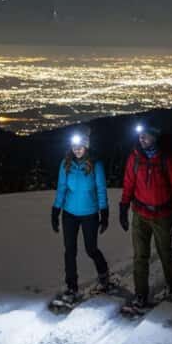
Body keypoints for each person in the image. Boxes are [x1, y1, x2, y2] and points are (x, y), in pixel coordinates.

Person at [119, 122, 172, 313]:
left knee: (165, 252)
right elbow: (128, 183)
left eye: (146, 136)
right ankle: (141, 294)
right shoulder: (135, 157)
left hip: (162, 215)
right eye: (140, 135)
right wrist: (123, 207)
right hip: (140, 213)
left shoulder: (169, 159)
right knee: (140, 256)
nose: (141, 139)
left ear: (155, 137)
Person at [50, 126, 110, 305]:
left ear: (87, 146)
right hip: (69, 214)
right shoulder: (65, 164)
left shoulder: (96, 164)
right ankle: (72, 287)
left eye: (81, 146)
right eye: (74, 146)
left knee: (91, 249)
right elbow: (61, 188)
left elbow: (101, 189)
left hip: (89, 214)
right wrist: (55, 211)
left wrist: (104, 213)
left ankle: (104, 275)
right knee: (70, 251)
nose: (77, 149)